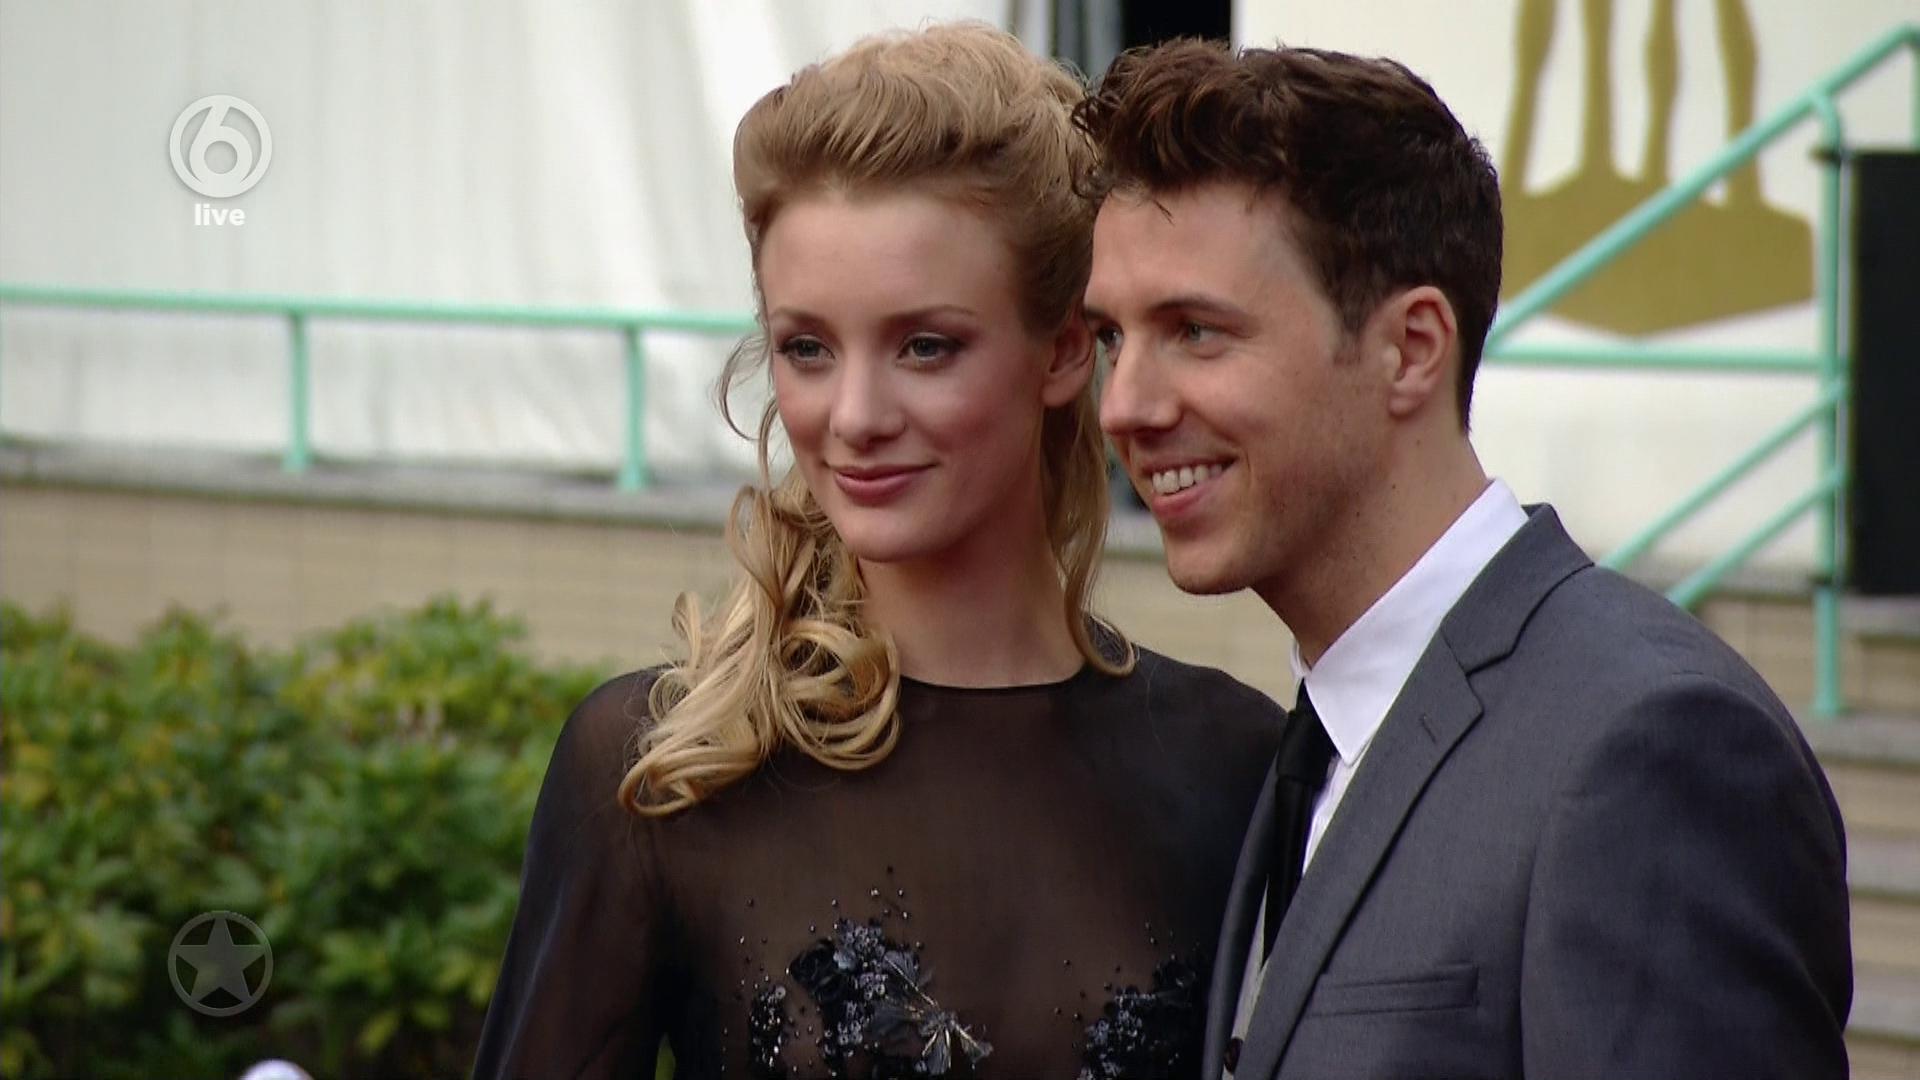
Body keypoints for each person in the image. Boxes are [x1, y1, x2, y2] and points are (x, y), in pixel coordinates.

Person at [473, 23, 1282, 1080]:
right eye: (807, 348)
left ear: (1063, 351)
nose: (854, 417)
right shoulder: (660, 771)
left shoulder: (1235, 764)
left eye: (925, 346)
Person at [1074, 40, 1852, 1080]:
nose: (1125, 406)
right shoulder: (1311, 740)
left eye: (1196, 332)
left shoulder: (1650, 748)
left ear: (1411, 348)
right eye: (1112, 339)